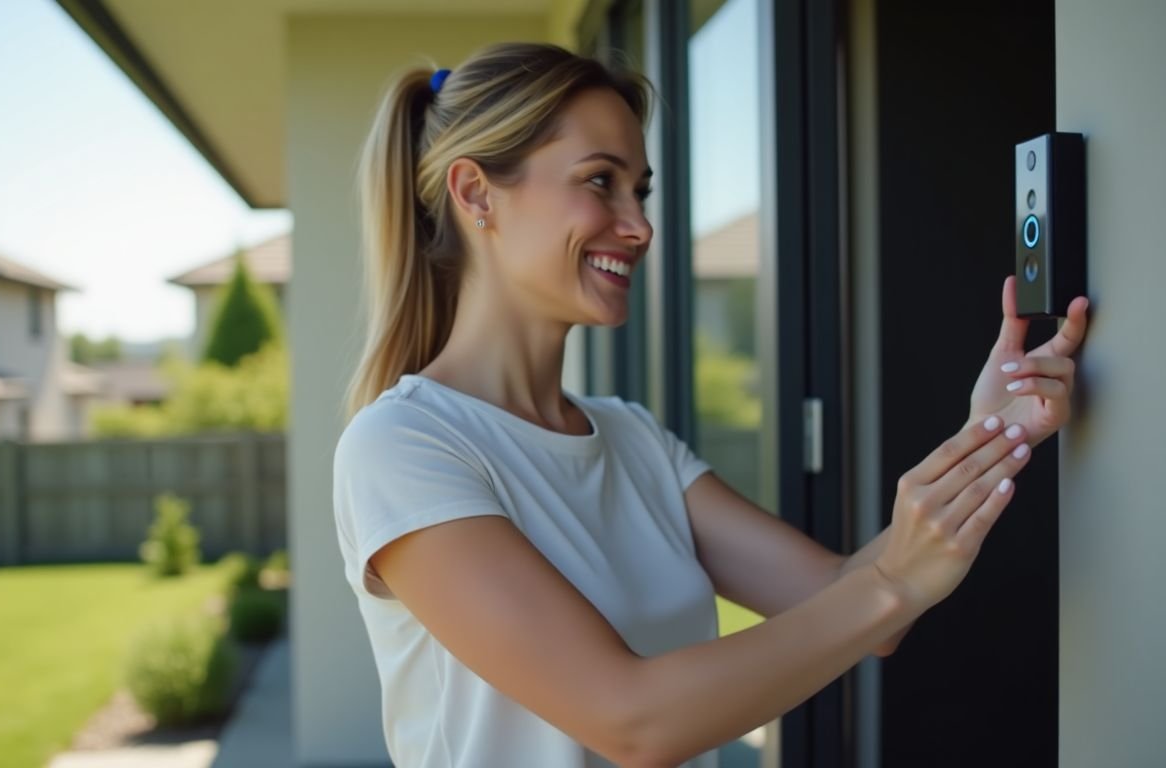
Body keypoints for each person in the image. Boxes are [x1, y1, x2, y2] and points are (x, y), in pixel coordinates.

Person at [332, 42, 1090, 768]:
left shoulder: (632, 439)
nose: (640, 225)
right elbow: (634, 721)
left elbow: (841, 598)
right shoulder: (404, 447)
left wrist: (992, 429)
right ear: (475, 194)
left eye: (641, 189)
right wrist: (889, 587)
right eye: (600, 181)